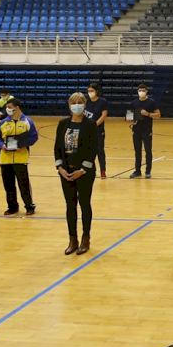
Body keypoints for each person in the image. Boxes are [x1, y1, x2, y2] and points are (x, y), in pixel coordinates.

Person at [55, 93, 99, 256]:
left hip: (84, 172)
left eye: (80, 102)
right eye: (74, 103)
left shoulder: (90, 125)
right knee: (70, 205)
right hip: (66, 172)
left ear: (85, 104)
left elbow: (93, 149)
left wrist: (82, 170)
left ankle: (85, 238)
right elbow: (57, 148)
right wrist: (60, 168)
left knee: (84, 204)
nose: (77, 105)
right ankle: (72, 239)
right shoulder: (63, 124)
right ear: (69, 105)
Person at [0, 99, 39, 216]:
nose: (7, 109)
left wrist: (22, 145)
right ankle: (12, 207)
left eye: (9, 107)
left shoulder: (27, 122)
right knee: (8, 185)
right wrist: (2, 145)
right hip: (5, 158)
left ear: (17, 107)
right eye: (7, 107)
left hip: (21, 158)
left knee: (23, 184)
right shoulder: (3, 122)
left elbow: (33, 137)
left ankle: (29, 206)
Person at [128, 84, 161, 179]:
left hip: (147, 130)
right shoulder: (134, 102)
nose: (141, 92)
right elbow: (129, 116)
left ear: (146, 91)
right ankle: (137, 171)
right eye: (140, 90)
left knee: (148, 151)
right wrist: (131, 120)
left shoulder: (151, 102)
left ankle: (148, 171)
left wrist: (148, 114)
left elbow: (158, 115)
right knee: (137, 151)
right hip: (136, 130)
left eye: (143, 90)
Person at [84, 83, 109, 179]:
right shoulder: (86, 101)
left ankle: (103, 171)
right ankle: (89, 169)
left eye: (92, 91)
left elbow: (104, 115)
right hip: (87, 131)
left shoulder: (102, 102)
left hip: (98, 130)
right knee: (88, 151)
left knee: (100, 151)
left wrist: (94, 125)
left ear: (96, 91)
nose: (90, 93)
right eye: (88, 91)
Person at [0, 88, 12, 157]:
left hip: (10, 120)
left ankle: (11, 149)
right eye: (1, 95)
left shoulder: (12, 100)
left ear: (8, 94)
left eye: (4, 95)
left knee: (10, 135)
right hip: (1, 120)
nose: (3, 97)